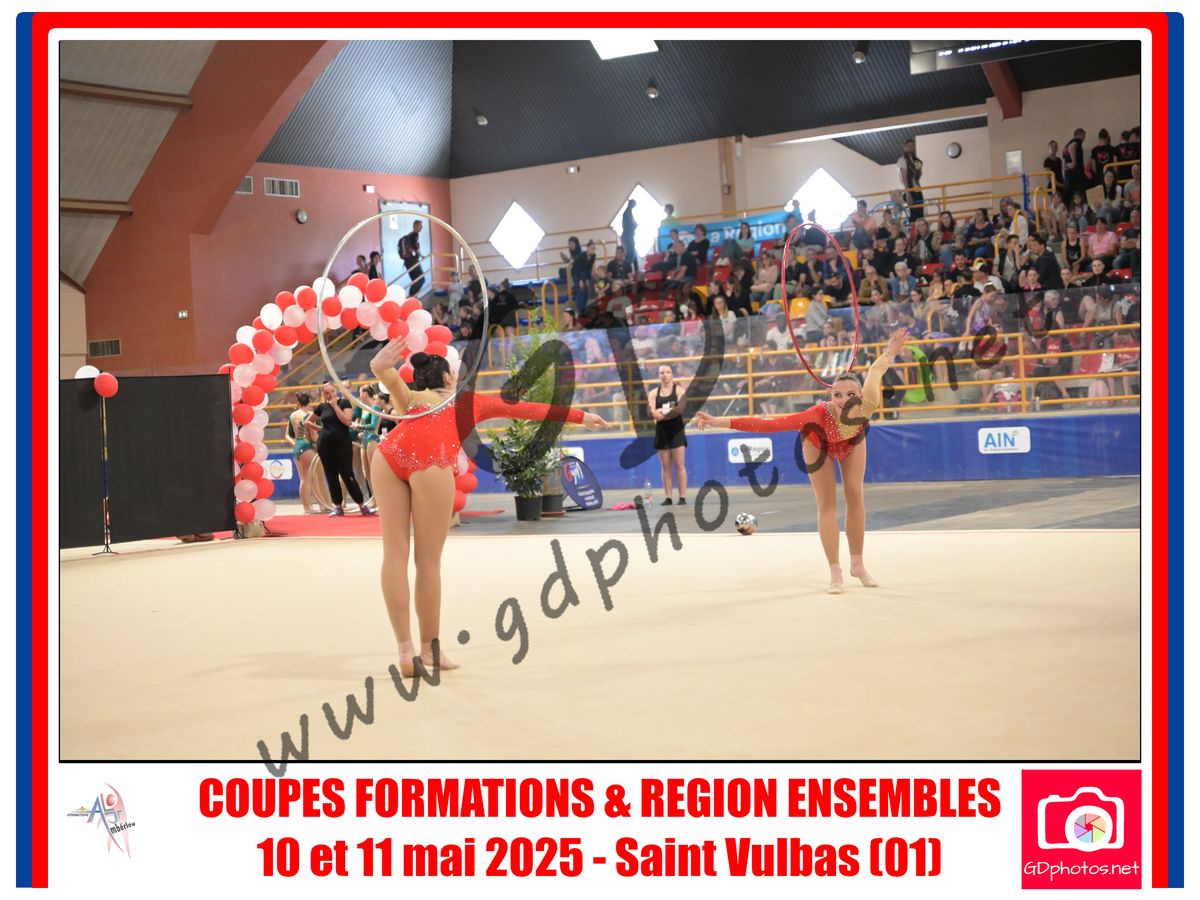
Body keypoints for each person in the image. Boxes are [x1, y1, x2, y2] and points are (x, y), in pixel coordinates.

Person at [369, 343, 609, 674]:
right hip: (431, 462)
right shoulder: (468, 402)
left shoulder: (411, 399)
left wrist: (379, 367)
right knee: (427, 562)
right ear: (450, 377)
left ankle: (405, 651)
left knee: (394, 554)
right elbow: (528, 409)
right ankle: (429, 650)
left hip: (388, 457)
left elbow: (387, 375)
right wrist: (580, 416)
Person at [696, 328, 909, 593]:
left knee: (855, 495)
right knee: (826, 503)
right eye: (837, 395)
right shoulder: (816, 415)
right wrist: (718, 421)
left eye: (850, 394)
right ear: (830, 397)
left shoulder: (870, 403)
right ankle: (835, 570)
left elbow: (876, 371)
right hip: (817, 441)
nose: (843, 400)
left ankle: (857, 564)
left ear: (861, 396)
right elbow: (769, 424)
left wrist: (890, 351)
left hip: (852, 440)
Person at [307, 383, 372, 517]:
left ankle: (361, 504)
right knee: (331, 475)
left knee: (347, 474)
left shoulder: (344, 403)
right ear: (324, 394)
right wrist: (321, 429)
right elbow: (307, 421)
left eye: (332, 391)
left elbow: (347, 421)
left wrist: (335, 406)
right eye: (327, 393)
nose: (330, 394)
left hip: (342, 444)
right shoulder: (321, 407)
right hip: (325, 445)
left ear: (335, 391)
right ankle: (338, 506)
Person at [648, 364, 690, 506]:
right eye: (662, 372)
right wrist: (660, 413)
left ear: (672, 374)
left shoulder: (679, 390)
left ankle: (682, 497)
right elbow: (651, 412)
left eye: (667, 372)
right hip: (662, 432)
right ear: (659, 375)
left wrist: (662, 412)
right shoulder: (654, 393)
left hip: (676, 430)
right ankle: (668, 497)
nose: (665, 375)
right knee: (665, 465)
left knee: (679, 464)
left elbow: (680, 409)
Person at [284, 392, 319, 514]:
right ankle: (321, 504)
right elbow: (314, 436)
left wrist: (296, 445)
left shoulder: (292, 415)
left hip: (298, 446)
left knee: (304, 478)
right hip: (307, 446)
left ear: (298, 403)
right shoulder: (309, 415)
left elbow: (287, 435)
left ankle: (307, 507)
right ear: (310, 402)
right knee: (315, 477)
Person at [897, 138, 924, 220]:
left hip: (917, 188)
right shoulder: (902, 160)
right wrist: (908, 193)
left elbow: (919, 175)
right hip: (909, 189)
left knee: (920, 211)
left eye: (912, 146)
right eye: (908, 145)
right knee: (914, 213)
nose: (911, 147)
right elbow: (904, 178)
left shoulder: (916, 160)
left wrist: (919, 169)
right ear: (904, 147)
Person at [398, 220, 425, 296]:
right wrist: (421, 255)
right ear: (415, 226)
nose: (422, 227)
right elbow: (415, 247)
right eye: (420, 225)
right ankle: (412, 297)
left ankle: (413, 297)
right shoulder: (414, 235)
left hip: (408, 262)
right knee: (421, 279)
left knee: (415, 280)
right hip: (412, 261)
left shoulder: (410, 235)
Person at [620, 199, 638, 271]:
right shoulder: (627, 212)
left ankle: (635, 269)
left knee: (633, 253)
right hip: (628, 236)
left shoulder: (628, 212)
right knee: (630, 254)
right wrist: (635, 225)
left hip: (627, 235)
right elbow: (629, 225)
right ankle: (629, 270)